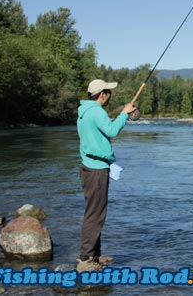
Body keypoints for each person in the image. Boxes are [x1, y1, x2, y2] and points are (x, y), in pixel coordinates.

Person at [76, 79, 136, 272]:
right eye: (109, 92)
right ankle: (85, 259)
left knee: (95, 211)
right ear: (102, 94)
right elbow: (112, 130)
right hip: (96, 170)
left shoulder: (84, 112)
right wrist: (124, 113)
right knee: (95, 214)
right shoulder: (96, 111)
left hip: (89, 167)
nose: (110, 95)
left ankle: (95, 254)